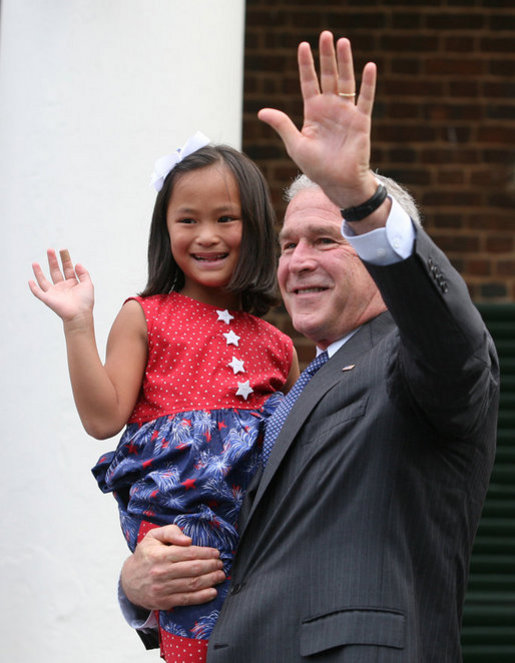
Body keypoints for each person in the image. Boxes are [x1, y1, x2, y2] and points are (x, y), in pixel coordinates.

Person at [119, 31, 499, 662]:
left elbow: (454, 344)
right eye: (289, 245)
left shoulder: (409, 361)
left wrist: (361, 198)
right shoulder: (283, 389)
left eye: (327, 240)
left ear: (376, 254)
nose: (298, 262)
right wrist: (139, 586)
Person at [28, 135, 300, 662]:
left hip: (265, 548)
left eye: (226, 218)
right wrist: (78, 324)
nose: (207, 236)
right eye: (188, 219)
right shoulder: (145, 316)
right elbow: (104, 418)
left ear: (259, 229)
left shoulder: (278, 344)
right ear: (165, 228)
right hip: (183, 549)